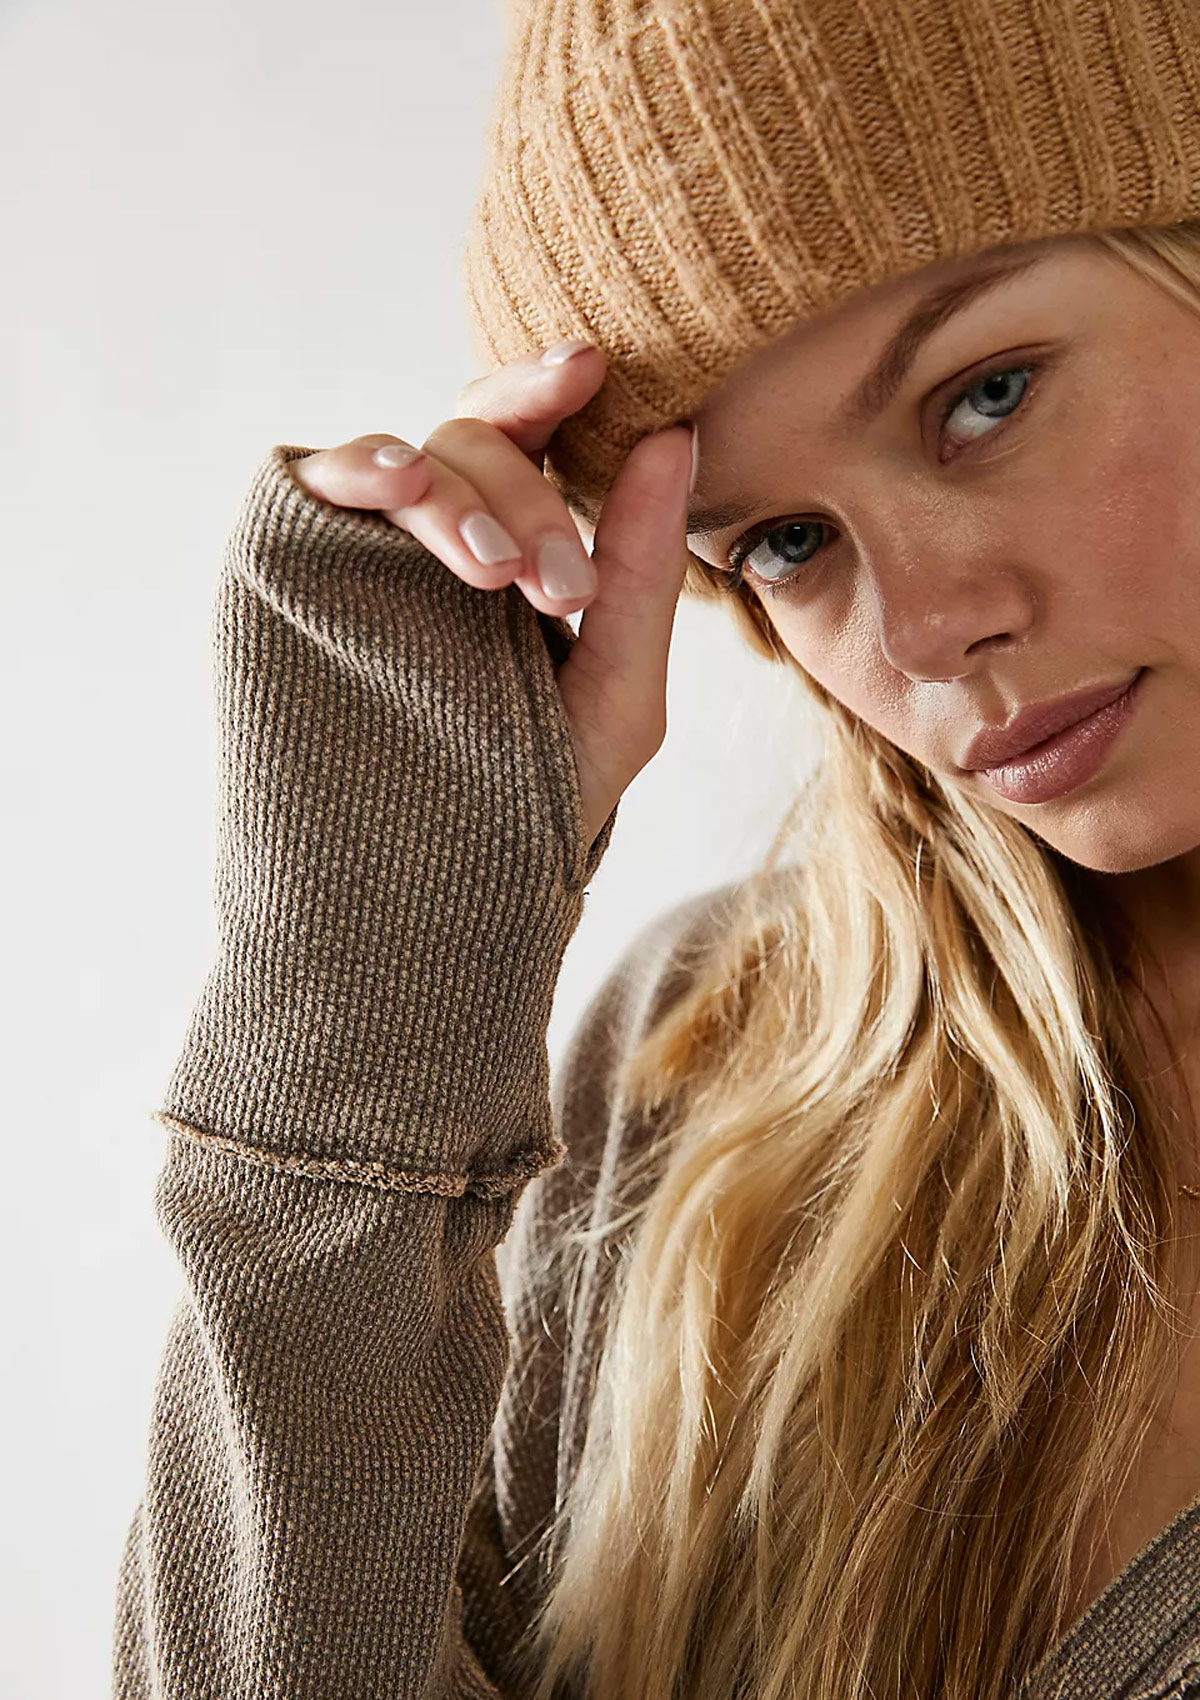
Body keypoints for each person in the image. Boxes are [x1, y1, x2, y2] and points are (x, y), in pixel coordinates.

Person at [111, 3, 1200, 1698]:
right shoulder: (708, 1076)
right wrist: (369, 992)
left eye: (985, 398)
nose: (922, 629)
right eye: (782, 542)